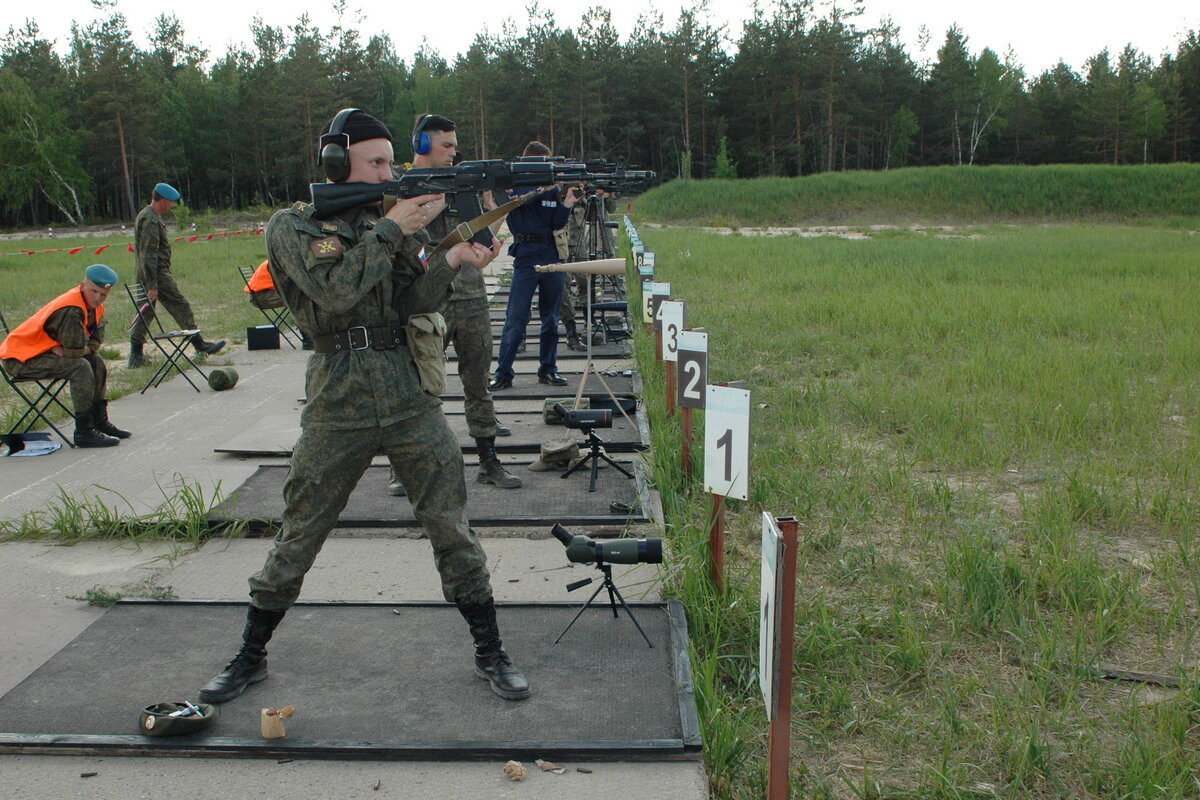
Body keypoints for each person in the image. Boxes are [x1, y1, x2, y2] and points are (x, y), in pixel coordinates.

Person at [197, 109, 529, 705]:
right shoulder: (294, 227)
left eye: (388, 162)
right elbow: (337, 291)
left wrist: (451, 262)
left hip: (407, 395)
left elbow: (409, 300)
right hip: (337, 399)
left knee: (451, 526)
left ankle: (491, 650)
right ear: (334, 165)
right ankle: (249, 655)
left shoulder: (388, 222)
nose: (387, 173)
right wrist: (394, 227)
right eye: (374, 163)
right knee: (301, 530)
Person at [386, 114, 520, 497]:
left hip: (472, 294)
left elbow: (476, 238)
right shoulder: (402, 191)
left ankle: (488, 460)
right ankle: (401, 464)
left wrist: (496, 218)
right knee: (418, 385)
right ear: (422, 145)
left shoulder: (463, 186)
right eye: (446, 145)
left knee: (478, 382)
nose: (453, 152)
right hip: (431, 298)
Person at [0, 264, 131, 447]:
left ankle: (99, 422)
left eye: (103, 295)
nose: (97, 298)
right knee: (80, 366)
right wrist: (72, 350)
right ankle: (84, 432)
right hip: (21, 359)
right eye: (93, 291)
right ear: (82, 285)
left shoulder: (96, 309)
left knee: (96, 361)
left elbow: (92, 345)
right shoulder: (71, 308)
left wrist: (71, 350)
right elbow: (75, 350)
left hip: (40, 354)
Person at [488, 141, 579, 391]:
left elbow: (556, 222)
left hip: (549, 253)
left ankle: (548, 369)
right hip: (525, 256)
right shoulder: (515, 185)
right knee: (515, 318)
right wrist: (542, 187)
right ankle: (503, 372)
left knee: (550, 318)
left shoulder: (551, 190)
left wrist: (568, 202)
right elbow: (519, 202)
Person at [128, 182, 225, 367]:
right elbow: (149, 254)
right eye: (170, 203)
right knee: (180, 306)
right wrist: (153, 285)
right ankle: (199, 345)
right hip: (156, 274)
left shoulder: (146, 214)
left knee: (145, 312)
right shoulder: (152, 220)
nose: (172, 207)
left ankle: (135, 356)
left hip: (146, 273)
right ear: (163, 201)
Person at [560, 186, 618, 350]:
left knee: (586, 283)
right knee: (562, 289)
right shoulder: (556, 194)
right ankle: (571, 333)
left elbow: (599, 214)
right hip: (559, 245)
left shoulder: (583, 198)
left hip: (578, 245)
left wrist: (601, 197)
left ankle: (589, 323)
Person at [244, 259, 313, 349]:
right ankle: (309, 341)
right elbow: (289, 283)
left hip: (264, 293)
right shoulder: (279, 263)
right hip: (260, 297)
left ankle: (311, 337)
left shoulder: (278, 259)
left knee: (299, 297)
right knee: (298, 300)